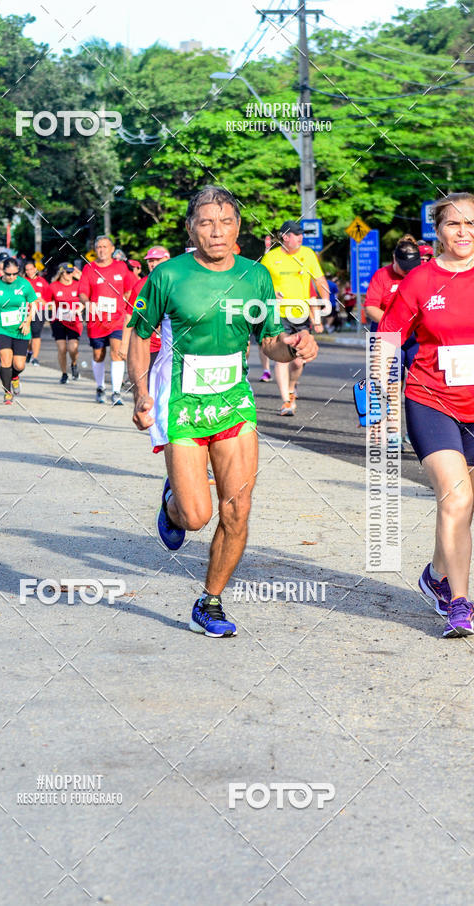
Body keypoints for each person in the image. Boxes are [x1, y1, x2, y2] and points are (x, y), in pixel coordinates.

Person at [128, 185, 318, 638]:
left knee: (237, 510)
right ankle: (173, 503)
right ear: (191, 227)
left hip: (235, 405)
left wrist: (292, 347)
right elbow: (137, 336)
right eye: (207, 222)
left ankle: (209, 601)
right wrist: (139, 392)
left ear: (239, 228)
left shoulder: (255, 276)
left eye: (226, 221)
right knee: (196, 517)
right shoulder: (167, 277)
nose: (217, 231)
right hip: (182, 405)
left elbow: (268, 339)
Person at [379, 192, 474, 638]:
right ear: (437, 231)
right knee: (456, 498)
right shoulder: (419, 281)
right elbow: (389, 338)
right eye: (454, 224)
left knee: (464, 507)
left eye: (472, 224)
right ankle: (459, 602)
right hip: (431, 398)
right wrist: (383, 394)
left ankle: (436, 574)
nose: (464, 232)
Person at [262, 221, 329, 415]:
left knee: (299, 360)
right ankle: (285, 400)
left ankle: (292, 388)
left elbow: (319, 279)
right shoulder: (270, 258)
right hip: (278, 314)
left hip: (300, 314)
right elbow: (260, 284)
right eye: (296, 235)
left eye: (301, 235)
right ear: (285, 237)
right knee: (282, 358)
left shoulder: (307, 254)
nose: (300, 238)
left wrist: (325, 301)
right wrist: (272, 292)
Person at [78, 235, 136, 405]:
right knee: (98, 354)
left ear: (112, 249)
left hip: (117, 319)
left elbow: (130, 289)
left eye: (105, 246)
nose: (102, 250)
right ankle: (100, 386)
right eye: (99, 247)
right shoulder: (89, 268)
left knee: (117, 353)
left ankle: (116, 392)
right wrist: (88, 303)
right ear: (95, 250)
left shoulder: (121, 267)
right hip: (96, 320)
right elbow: (82, 292)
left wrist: (125, 302)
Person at [365, 235, 421, 389]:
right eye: (404, 268)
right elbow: (370, 308)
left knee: (420, 383)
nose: (408, 272)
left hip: (414, 337)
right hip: (386, 334)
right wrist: (395, 323)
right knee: (389, 386)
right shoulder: (382, 275)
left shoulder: (422, 274)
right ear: (394, 259)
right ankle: (387, 412)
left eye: (412, 267)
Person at [0, 257, 37, 405]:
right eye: (8, 274)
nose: (12, 277)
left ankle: (14, 377)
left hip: (20, 328)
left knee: (19, 365)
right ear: (2, 271)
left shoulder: (24, 284)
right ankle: (7, 393)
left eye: (15, 274)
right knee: (5, 357)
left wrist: (27, 321)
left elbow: (34, 304)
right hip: (0, 326)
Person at [122, 245, 170, 372]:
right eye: (150, 261)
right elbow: (130, 315)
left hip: (174, 346)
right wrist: (124, 343)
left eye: (157, 260)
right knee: (149, 385)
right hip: (150, 346)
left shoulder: (179, 282)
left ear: (167, 259)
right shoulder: (140, 285)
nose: (153, 264)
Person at [48, 262, 83, 383]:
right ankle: (64, 374)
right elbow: (46, 301)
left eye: (72, 272)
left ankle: (74, 364)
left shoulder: (79, 285)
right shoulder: (53, 286)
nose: (70, 275)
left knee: (73, 348)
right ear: (61, 273)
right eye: (68, 272)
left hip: (74, 321)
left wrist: (79, 309)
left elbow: (86, 298)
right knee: (62, 349)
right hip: (59, 321)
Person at [23, 259, 51, 365]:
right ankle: (29, 351)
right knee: (27, 335)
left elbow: (48, 297)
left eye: (31, 269)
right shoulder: (22, 282)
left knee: (36, 334)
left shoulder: (42, 281)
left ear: (35, 269)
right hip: (26, 312)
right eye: (27, 270)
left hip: (39, 311)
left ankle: (35, 357)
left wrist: (44, 301)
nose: (30, 272)